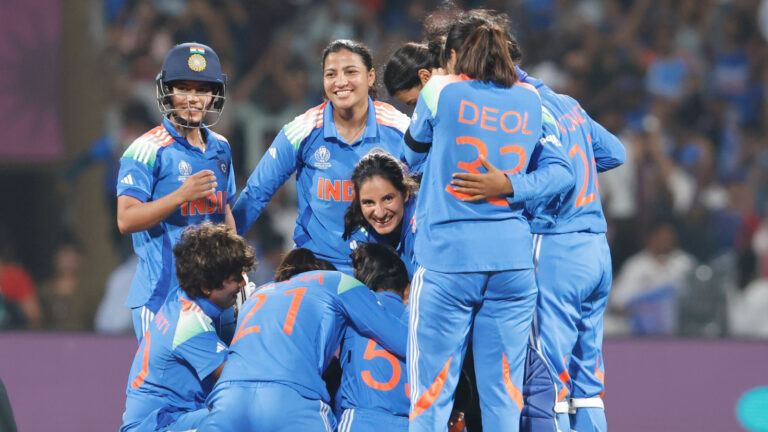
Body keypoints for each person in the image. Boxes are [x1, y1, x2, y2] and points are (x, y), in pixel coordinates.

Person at [403, 14, 573, 432]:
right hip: (511, 266)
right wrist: (510, 184)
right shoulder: (531, 99)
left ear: (456, 55)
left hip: (448, 262)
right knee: (503, 399)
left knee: (431, 395)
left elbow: (411, 155)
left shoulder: (440, 90)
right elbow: (563, 173)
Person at [232, 39, 412, 274]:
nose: (340, 82)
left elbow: (428, 190)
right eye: (331, 74)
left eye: (350, 72)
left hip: (384, 271)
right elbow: (255, 194)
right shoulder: (302, 131)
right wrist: (225, 254)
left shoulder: (401, 129)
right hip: (318, 270)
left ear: (370, 77)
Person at [199, 248, 408, 432]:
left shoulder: (260, 292)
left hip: (228, 399)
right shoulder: (338, 281)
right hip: (291, 398)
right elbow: (403, 341)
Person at [116, 42, 237, 340]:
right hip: (162, 299)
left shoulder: (221, 148)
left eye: (202, 90)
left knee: (219, 385)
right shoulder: (146, 150)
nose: (193, 99)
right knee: (162, 387)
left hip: (213, 298)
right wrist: (180, 196)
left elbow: (225, 214)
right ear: (166, 91)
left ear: (214, 94)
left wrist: (237, 270)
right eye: (184, 89)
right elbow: (126, 219)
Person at [120, 223, 255, 432]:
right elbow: (240, 377)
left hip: (172, 419)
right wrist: (252, 321)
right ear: (206, 286)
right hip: (158, 426)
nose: (242, 284)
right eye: (235, 279)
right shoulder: (190, 325)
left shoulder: (181, 297)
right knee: (237, 415)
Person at [336, 243, 410, 432]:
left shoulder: (349, 315)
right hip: (412, 422)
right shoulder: (419, 322)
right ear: (407, 290)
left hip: (362, 420)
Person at [343, 151, 419, 277]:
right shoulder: (358, 231)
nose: (380, 213)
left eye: (388, 198)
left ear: (405, 193)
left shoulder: (425, 222)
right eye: (368, 202)